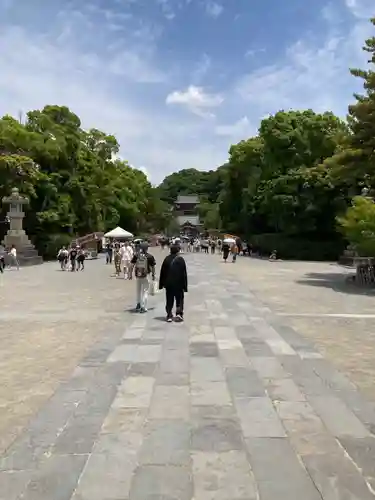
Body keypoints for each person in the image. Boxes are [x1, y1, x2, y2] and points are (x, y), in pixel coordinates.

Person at [159, 243, 188, 322]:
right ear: (178, 250)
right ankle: (179, 314)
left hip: (169, 284)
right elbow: (184, 274)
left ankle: (169, 315)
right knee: (179, 299)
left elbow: (163, 273)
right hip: (179, 284)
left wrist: (161, 284)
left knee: (169, 299)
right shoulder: (180, 259)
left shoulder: (166, 259)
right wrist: (185, 286)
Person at [131, 242, 156, 313]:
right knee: (145, 291)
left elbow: (132, 265)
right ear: (147, 248)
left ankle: (138, 304)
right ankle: (143, 307)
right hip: (146, 275)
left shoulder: (136, 255)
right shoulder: (150, 256)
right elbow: (153, 267)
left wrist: (130, 274)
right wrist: (153, 275)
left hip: (138, 275)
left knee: (138, 290)